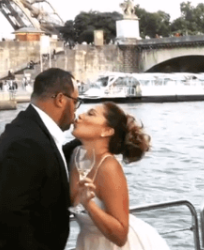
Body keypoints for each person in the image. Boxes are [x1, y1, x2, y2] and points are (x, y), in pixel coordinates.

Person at [0, 67, 80, 250]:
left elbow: (47, 162)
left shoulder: (30, 130)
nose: (76, 111)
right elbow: (10, 219)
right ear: (61, 100)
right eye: (76, 102)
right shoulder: (27, 143)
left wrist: (84, 141)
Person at [70, 102, 170, 249]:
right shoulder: (78, 155)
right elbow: (73, 200)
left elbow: (121, 236)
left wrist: (89, 204)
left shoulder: (109, 167)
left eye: (90, 114)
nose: (80, 115)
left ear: (106, 131)